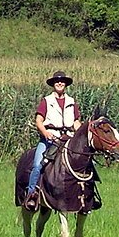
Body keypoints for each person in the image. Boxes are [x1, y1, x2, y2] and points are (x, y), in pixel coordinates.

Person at [23, 70, 81, 211]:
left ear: (65, 84)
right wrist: (45, 133)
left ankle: (88, 195)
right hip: (50, 139)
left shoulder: (72, 102)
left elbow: (76, 121)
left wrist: (79, 134)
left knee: (84, 162)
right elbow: (39, 121)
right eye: (57, 81)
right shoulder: (46, 101)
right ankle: (32, 194)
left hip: (68, 138)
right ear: (53, 84)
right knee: (37, 164)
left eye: (62, 81)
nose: (60, 83)